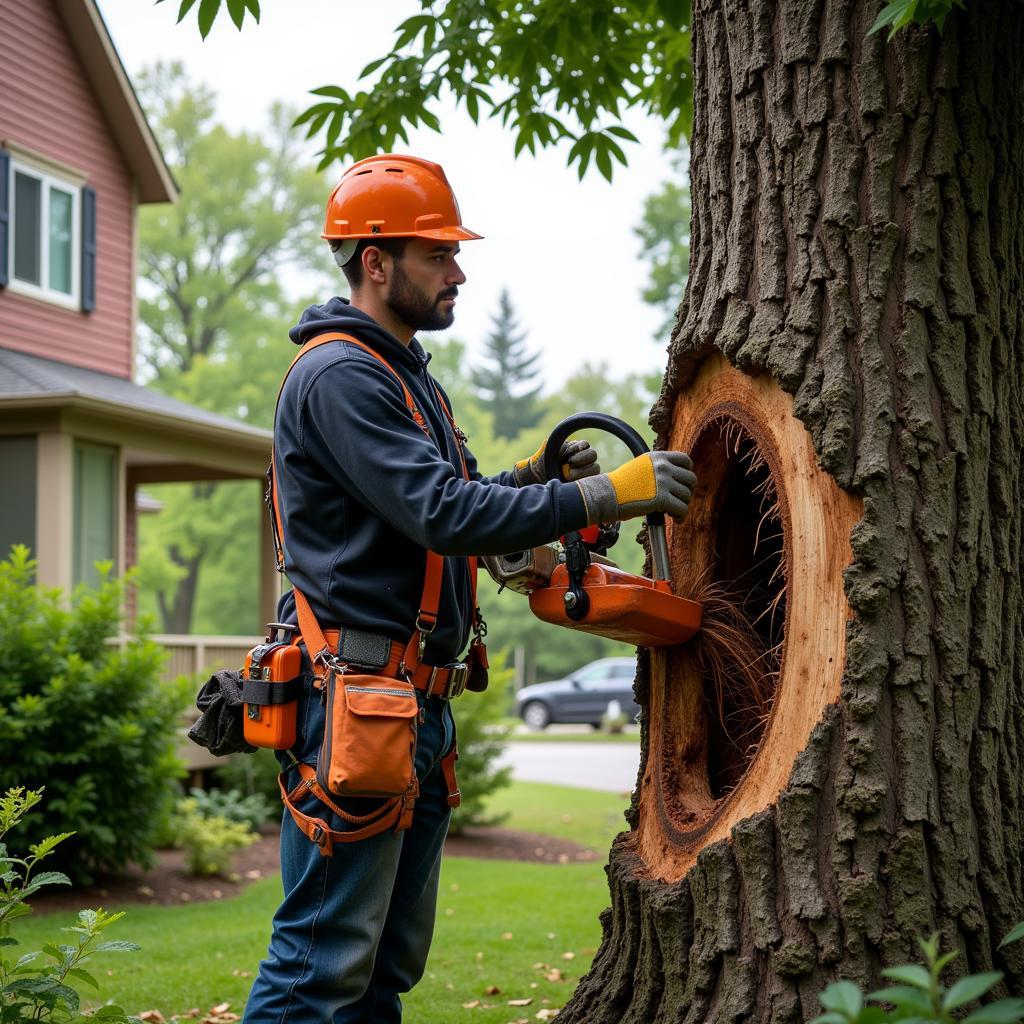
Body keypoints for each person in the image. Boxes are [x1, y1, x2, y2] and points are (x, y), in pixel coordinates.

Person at [243, 154, 696, 1023]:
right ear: (376, 262)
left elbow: (449, 504)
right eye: (437, 254)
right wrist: (606, 495)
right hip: (357, 703)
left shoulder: (405, 373)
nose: (459, 272)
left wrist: (533, 479)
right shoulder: (340, 375)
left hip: (410, 708)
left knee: (382, 968)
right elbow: (442, 513)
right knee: (320, 966)